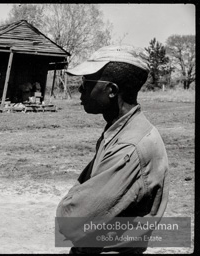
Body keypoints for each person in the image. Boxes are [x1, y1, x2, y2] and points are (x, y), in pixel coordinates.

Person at [56, 45, 169, 254]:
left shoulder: (130, 146)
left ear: (111, 90)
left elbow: (70, 220)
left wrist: (71, 203)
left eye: (86, 82)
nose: (80, 89)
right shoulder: (120, 129)